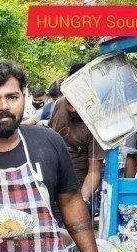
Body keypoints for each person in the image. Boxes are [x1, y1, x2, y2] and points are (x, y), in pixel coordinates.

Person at [0, 58, 103, 252]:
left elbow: (71, 201)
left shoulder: (48, 141)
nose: (3, 106)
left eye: (12, 97)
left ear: (24, 98)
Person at [48, 63, 105, 217]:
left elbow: (94, 172)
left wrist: (82, 198)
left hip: (77, 188)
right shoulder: (58, 105)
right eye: (69, 102)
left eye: (77, 104)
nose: (71, 109)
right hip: (52, 185)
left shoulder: (97, 122)